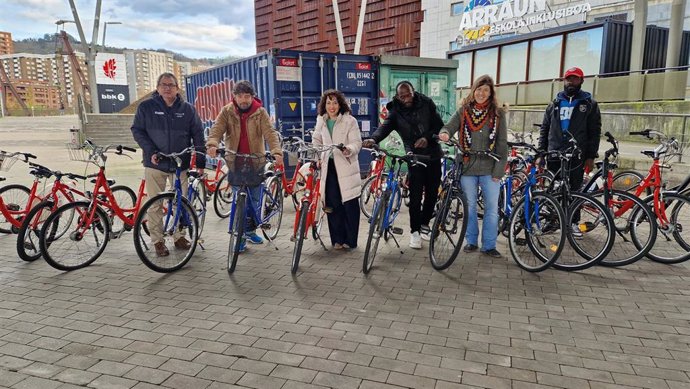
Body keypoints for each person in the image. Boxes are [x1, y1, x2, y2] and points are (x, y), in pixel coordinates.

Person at [131, 72, 206, 257]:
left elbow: (198, 135)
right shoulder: (146, 107)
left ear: (177, 88)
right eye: (163, 84)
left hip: (181, 164)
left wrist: (201, 162)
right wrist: (151, 151)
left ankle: (179, 236)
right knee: (155, 205)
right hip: (155, 163)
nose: (167, 88)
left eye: (171, 85)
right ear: (157, 88)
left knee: (180, 202)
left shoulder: (187, 109)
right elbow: (137, 131)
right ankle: (157, 241)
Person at [362, 81, 444, 249]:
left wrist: (427, 138)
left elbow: (439, 126)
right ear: (398, 96)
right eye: (402, 96)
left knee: (431, 195)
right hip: (413, 156)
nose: (406, 99)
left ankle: (424, 226)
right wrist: (373, 138)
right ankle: (414, 232)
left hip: (433, 155)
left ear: (413, 92)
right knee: (414, 196)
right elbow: (385, 127)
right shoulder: (395, 111)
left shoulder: (426, 103)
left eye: (409, 95)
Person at [206, 80, 283, 252]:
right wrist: (212, 143)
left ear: (252, 96)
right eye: (240, 96)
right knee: (239, 199)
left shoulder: (260, 112)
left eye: (247, 96)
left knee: (254, 200)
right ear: (234, 97)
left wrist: (277, 151)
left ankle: (249, 230)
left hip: (256, 161)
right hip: (235, 161)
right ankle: (240, 235)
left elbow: (270, 133)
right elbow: (217, 128)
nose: (243, 100)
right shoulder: (227, 111)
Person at [439, 75, 508, 258]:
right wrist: (444, 134)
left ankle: (489, 245)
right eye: (478, 89)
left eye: (486, 90)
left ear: (491, 92)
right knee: (469, 206)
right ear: (473, 90)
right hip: (467, 168)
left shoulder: (498, 114)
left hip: (490, 168)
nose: (481, 93)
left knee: (491, 208)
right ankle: (471, 241)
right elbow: (448, 127)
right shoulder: (464, 111)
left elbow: (502, 145)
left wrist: (499, 171)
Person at [538, 66, 601, 237]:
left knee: (574, 189)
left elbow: (595, 132)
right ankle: (552, 220)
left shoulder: (589, 104)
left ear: (581, 80)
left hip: (576, 155)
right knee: (552, 188)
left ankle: (572, 222)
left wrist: (590, 156)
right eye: (568, 79)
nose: (570, 82)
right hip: (554, 153)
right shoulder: (554, 103)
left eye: (574, 79)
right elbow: (545, 129)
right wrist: (541, 152)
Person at [312, 89, 362, 250]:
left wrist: (349, 149)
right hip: (329, 167)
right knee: (332, 205)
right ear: (324, 105)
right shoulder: (322, 120)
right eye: (328, 103)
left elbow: (357, 142)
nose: (331, 106)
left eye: (335, 102)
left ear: (340, 104)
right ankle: (337, 240)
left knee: (349, 204)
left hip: (346, 166)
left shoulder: (350, 121)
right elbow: (316, 141)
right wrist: (318, 157)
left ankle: (350, 240)